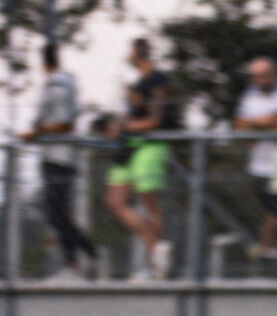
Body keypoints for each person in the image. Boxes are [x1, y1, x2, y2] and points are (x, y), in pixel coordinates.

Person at [105, 39, 175, 280]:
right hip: (128, 146)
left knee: (150, 204)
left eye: (130, 50)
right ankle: (156, 248)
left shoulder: (158, 80)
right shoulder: (137, 82)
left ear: (137, 53)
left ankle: (157, 265)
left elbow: (155, 120)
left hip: (149, 147)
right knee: (116, 200)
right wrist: (117, 126)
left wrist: (128, 125)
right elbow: (133, 116)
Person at [26, 45, 94, 281]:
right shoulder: (67, 83)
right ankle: (72, 261)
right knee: (58, 214)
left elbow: (65, 124)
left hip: (58, 157)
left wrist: (37, 131)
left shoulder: (57, 86)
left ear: (43, 63)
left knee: (57, 215)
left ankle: (87, 252)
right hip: (60, 157)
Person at [234, 55, 277, 275]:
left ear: (275, 74)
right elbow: (240, 127)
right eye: (256, 76)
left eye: (264, 75)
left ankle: (262, 252)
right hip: (260, 162)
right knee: (275, 213)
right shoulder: (250, 95)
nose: (260, 80)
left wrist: (255, 125)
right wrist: (264, 124)